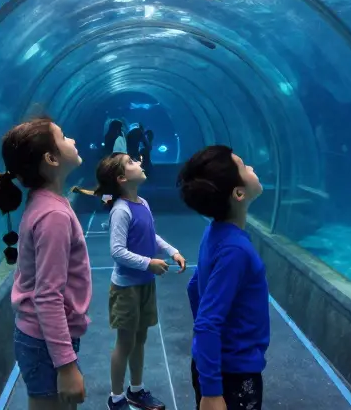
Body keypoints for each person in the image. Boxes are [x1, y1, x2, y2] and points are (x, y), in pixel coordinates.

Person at [0, 117, 91, 409]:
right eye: (64, 137)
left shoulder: (44, 201)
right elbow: (47, 295)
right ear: (51, 158)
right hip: (45, 342)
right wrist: (66, 366)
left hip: (43, 338)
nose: (73, 141)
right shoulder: (53, 215)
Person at [177, 146, 269, 410]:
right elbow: (207, 322)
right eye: (242, 166)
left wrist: (207, 352)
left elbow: (195, 288)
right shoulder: (236, 249)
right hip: (234, 374)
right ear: (238, 193)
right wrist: (212, 392)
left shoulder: (214, 233)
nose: (251, 167)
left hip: (215, 365)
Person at [93, 153, 186, 409]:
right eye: (132, 163)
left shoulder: (142, 203)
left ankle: (136, 389)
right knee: (125, 343)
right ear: (122, 178)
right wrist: (149, 263)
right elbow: (117, 251)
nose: (140, 163)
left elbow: (152, 235)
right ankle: (116, 397)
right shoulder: (121, 210)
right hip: (126, 289)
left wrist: (172, 251)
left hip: (145, 284)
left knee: (140, 339)